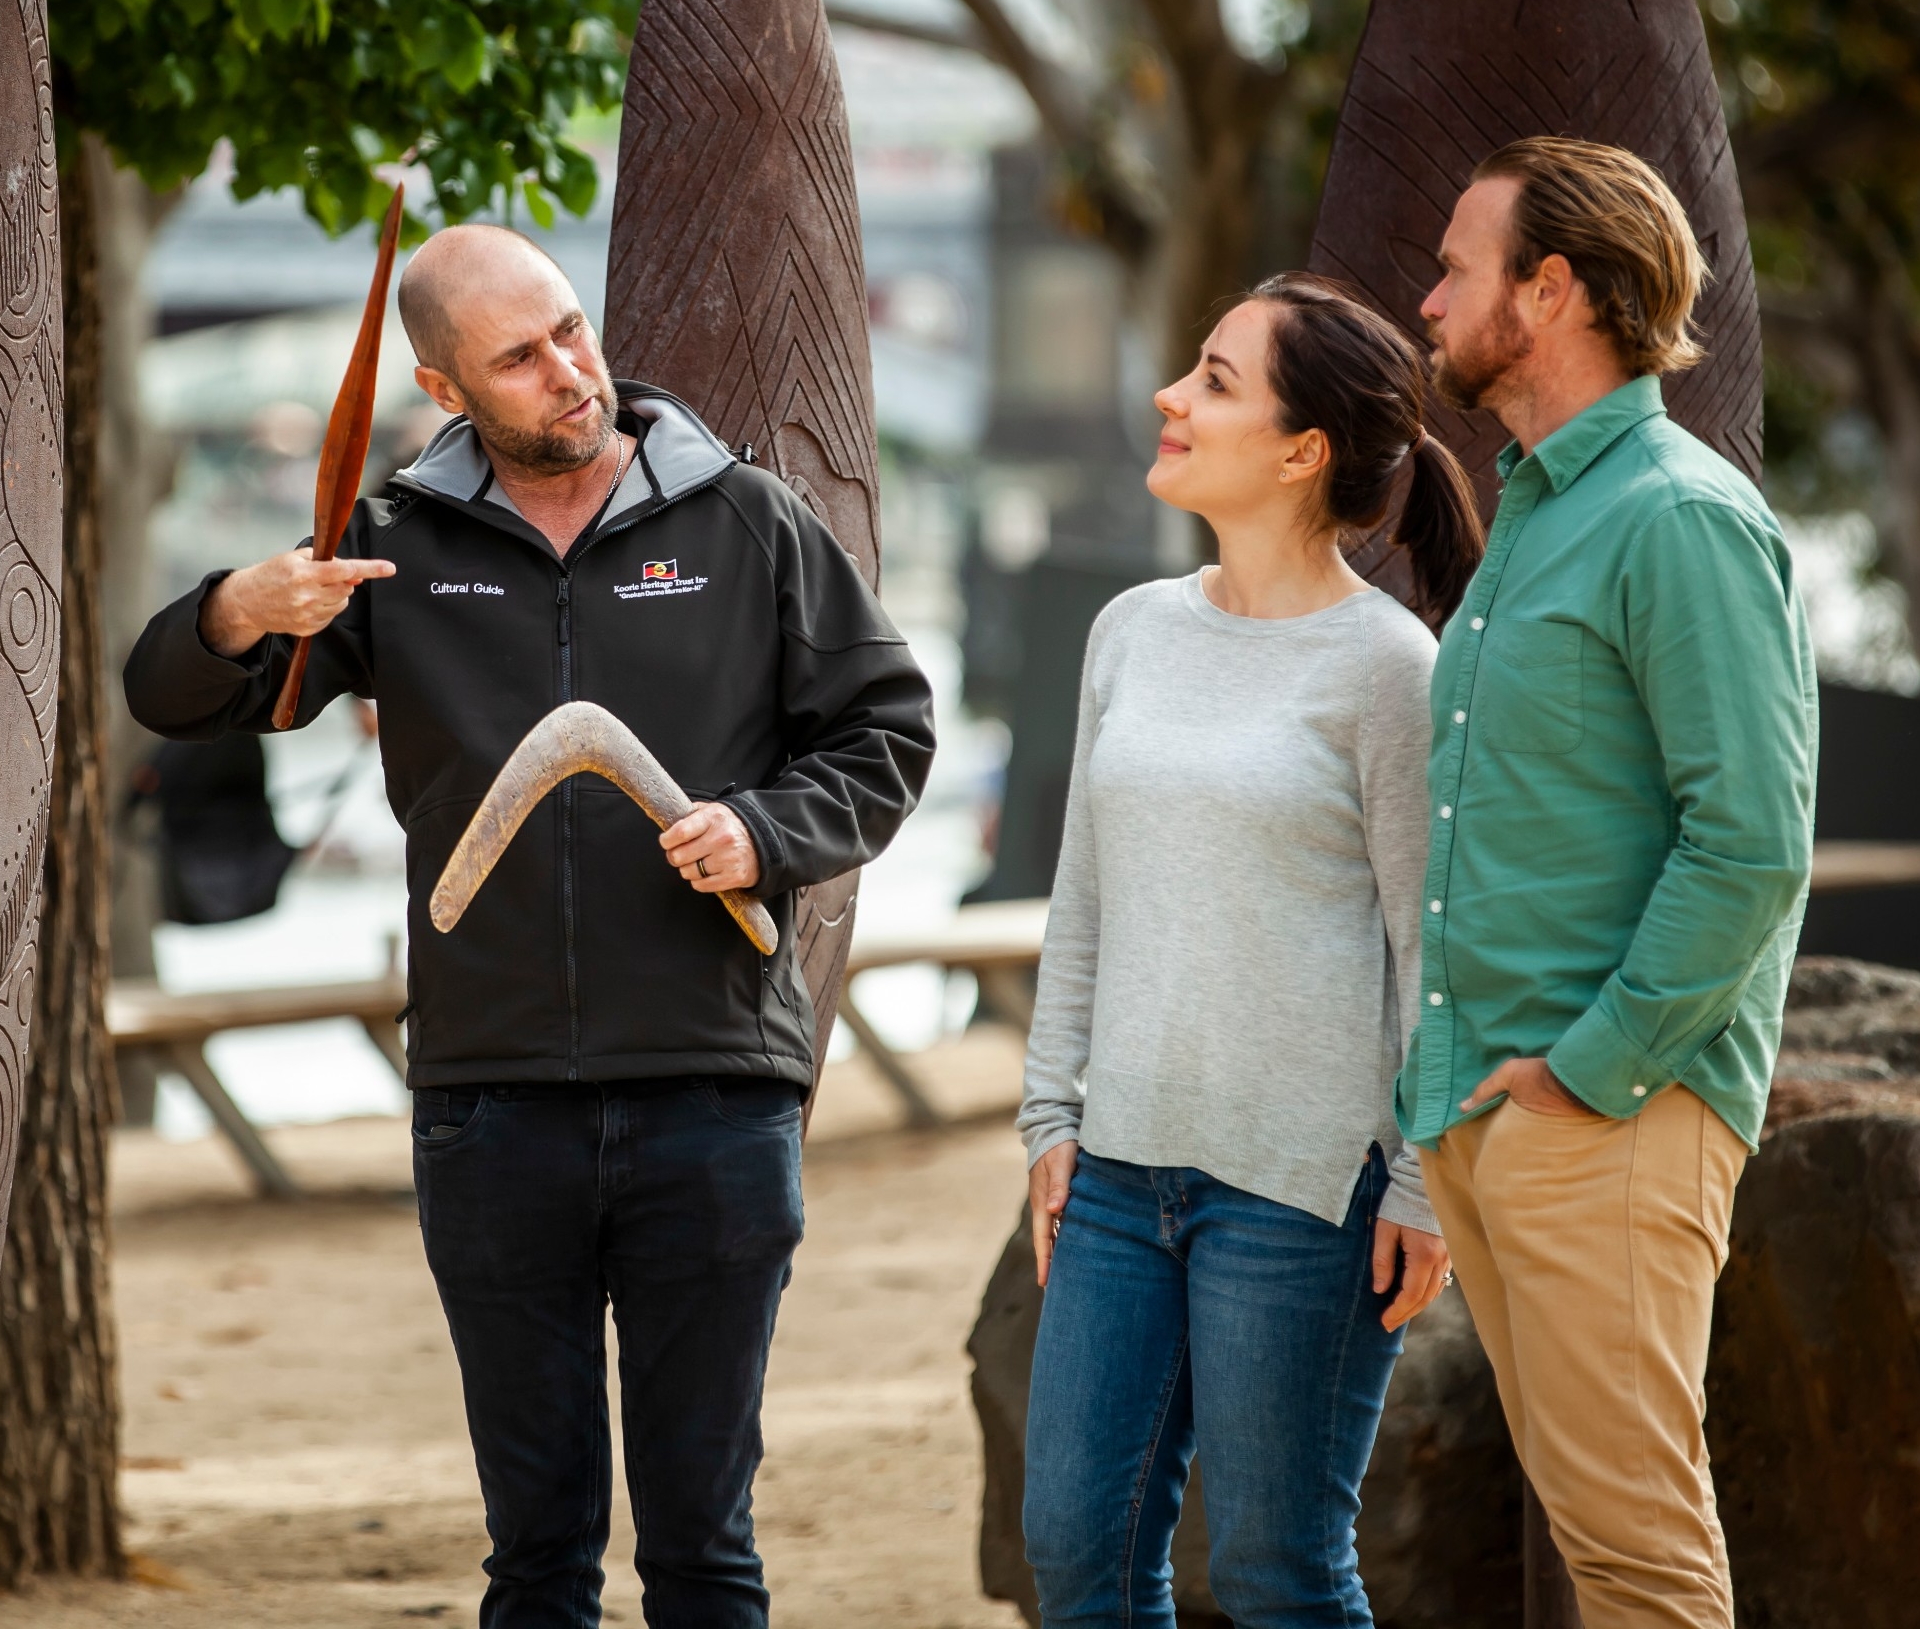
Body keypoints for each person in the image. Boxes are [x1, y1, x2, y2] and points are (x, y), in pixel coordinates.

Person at [123, 224, 936, 1629]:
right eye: (521, 356)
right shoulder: (391, 546)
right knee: (538, 1556)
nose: (573, 371)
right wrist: (240, 610)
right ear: (447, 390)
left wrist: (764, 830)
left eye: (571, 329)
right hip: (488, 1107)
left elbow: (887, 730)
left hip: (711, 1092)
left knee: (704, 1552)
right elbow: (170, 700)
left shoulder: (745, 520)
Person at [1018, 274, 1486, 1629]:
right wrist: (1054, 1112)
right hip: (1117, 1175)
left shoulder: (1391, 669)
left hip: (1301, 1194)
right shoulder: (1133, 632)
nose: (1171, 396)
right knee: (1077, 1556)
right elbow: (1085, 897)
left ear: (1302, 450)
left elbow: (1430, 948)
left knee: (1281, 1575)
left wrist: (1421, 1184)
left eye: (1215, 380)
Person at [1402, 137, 1816, 1629]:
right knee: (1603, 1547)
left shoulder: (1677, 516)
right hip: (1509, 1111)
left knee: (1639, 1561)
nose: (1429, 298)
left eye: (1457, 267)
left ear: (1552, 287)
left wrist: (1589, 1073)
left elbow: (1754, 844)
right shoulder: (1539, 510)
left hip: (1614, 1109)